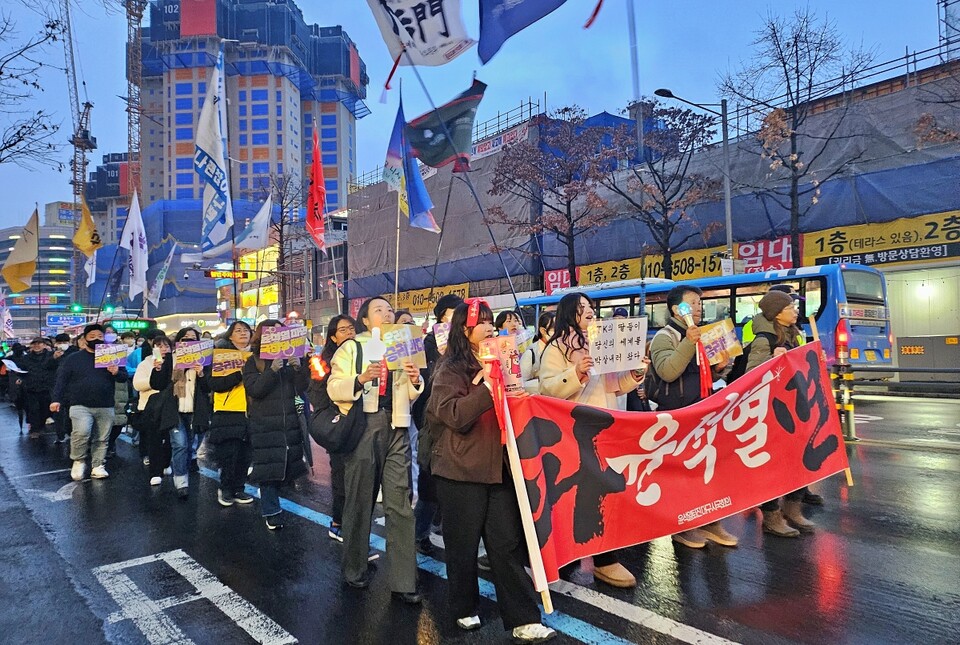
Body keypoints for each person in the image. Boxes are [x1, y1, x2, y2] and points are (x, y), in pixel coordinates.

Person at [426, 300, 556, 642]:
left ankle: (524, 617)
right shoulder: (449, 367)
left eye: (489, 322)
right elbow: (453, 415)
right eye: (480, 322)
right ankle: (463, 607)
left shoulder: (503, 360)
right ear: (464, 330)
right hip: (460, 470)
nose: (488, 327)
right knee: (462, 546)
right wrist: (486, 387)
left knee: (506, 544)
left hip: (498, 467)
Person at [538, 293, 645, 588]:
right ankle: (566, 554)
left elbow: (614, 383)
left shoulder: (603, 342)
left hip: (604, 429)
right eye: (581, 308)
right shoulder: (556, 348)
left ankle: (605, 559)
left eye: (591, 307)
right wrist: (576, 372)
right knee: (571, 495)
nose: (588, 312)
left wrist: (635, 373)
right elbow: (548, 389)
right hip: (572, 432)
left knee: (604, 493)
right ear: (568, 313)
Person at [327, 297, 423, 602]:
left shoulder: (403, 343)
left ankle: (404, 582)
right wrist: (359, 378)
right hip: (364, 426)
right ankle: (354, 569)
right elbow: (333, 386)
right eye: (379, 309)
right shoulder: (352, 347)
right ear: (365, 320)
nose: (387, 312)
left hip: (397, 425)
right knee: (358, 500)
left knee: (400, 504)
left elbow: (410, 392)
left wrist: (415, 381)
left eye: (389, 309)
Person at [649, 285, 739, 550]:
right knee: (682, 473)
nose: (698, 308)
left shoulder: (704, 335)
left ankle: (711, 522)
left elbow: (706, 375)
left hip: (703, 413)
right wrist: (689, 341)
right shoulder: (665, 337)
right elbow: (667, 371)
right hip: (677, 416)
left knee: (708, 469)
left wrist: (720, 367)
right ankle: (683, 526)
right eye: (692, 303)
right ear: (677, 309)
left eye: (700, 303)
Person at [746, 290, 817, 537]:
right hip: (773, 411)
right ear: (777, 313)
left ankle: (793, 508)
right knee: (774, 465)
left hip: (794, 405)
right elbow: (751, 375)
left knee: (799, 458)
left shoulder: (794, 334)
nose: (795, 311)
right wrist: (770, 360)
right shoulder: (764, 339)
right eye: (790, 307)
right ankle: (771, 515)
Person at [243, 320, 311, 529]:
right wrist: (271, 370)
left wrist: (299, 368)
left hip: (289, 421)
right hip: (264, 423)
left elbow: (303, 387)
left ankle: (281, 494)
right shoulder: (253, 362)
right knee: (267, 469)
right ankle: (271, 511)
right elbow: (255, 390)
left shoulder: (293, 357)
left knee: (287, 462)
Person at [411, 293, 463, 556]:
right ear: (443, 315)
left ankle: (437, 524)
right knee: (430, 485)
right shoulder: (427, 345)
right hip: (432, 420)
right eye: (455, 312)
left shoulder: (462, 345)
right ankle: (419, 533)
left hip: (457, 420)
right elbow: (421, 385)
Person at [50, 324, 127, 481]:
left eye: (99, 336)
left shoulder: (112, 356)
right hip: (79, 404)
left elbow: (124, 377)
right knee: (82, 432)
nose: (96, 339)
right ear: (84, 339)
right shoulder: (74, 359)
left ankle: (98, 465)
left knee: (102, 437)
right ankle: (78, 460)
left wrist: (116, 371)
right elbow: (61, 380)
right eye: (92, 337)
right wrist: (56, 399)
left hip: (105, 403)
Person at [306, 315, 357, 541]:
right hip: (339, 424)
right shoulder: (323, 361)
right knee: (341, 475)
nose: (349, 333)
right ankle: (338, 522)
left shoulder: (364, 354)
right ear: (333, 337)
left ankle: (354, 522)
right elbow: (317, 393)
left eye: (351, 328)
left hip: (361, 423)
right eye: (343, 330)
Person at [134, 335, 190, 496]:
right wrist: (155, 373)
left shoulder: (177, 360)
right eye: (159, 346)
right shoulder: (147, 363)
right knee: (155, 439)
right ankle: (155, 472)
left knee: (170, 440)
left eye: (167, 345)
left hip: (171, 406)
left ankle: (166, 464)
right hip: (151, 406)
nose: (164, 349)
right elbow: (138, 384)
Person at [208, 321, 255, 507]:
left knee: (246, 454)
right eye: (238, 330)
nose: (243, 333)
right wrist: (239, 374)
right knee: (230, 454)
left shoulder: (257, 354)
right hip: (228, 410)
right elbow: (215, 385)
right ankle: (225, 488)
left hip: (252, 411)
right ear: (230, 336)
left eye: (246, 330)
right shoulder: (221, 356)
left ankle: (239, 488)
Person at [172, 327, 212, 472]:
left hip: (196, 406)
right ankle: (180, 478)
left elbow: (208, 386)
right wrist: (178, 369)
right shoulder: (171, 357)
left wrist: (201, 373)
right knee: (180, 444)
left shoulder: (205, 359)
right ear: (179, 341)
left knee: (195, 437)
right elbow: (164, 382)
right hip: (176, 405)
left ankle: (191, 458)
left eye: (193, 339)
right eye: (185, 338)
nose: (189, 342)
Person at [15, 337, 58, 439]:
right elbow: (21, 370)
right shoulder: (26, 358)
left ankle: (41, 425)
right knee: (33, 410)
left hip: (47, 388)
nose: (37, 346)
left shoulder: (51, 356)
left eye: (39, 344)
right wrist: (19, 376)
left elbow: (55, 367)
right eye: (34, 344)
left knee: (45, 409)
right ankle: (34, 429)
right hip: (31, 388)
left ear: (44, 345)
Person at [520, 311, 554, 395]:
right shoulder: (531, 353)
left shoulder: (561, 348)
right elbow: (521, 384)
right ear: (543, 331)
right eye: (554, 328)